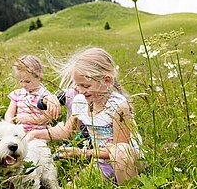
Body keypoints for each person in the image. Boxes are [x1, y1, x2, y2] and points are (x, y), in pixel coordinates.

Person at [27, 47, 144, 184]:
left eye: (86, 86)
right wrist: (35, 134)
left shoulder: (119, 106)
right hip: (101, 162)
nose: (81, 91)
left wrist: (83, 153)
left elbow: (118, 151)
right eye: (77, 85)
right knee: (71, 186)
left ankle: (127, 185)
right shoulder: (80, 101)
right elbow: (66, 132)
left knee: (122, 152)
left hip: (129, 162)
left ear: (106, 80)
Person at [5, 55, 52, 132]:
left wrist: (29, 119)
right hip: (20, 133)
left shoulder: (45, 96)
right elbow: (9, 113)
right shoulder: (17, 94)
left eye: (27, 81)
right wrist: (10, 121)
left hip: (39, 133)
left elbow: (48, 118)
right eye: (20, 81)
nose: (23, 85)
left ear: (39, 77)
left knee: (36, 143)